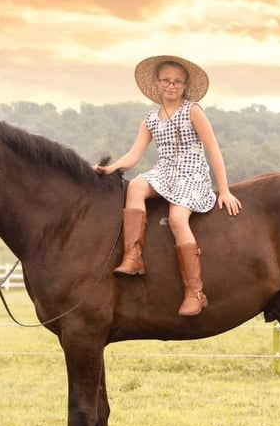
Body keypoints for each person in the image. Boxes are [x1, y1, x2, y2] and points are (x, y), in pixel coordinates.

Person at [95, 55, 241, 316]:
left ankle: (195, 291)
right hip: (164, 173)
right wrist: (112, 168)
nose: (171, 86)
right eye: (166, 80)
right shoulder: (151, 118)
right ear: (157, 83)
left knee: (177, 219)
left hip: (192, 174)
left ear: (184, 85)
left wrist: (225, 190)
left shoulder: (192, 110)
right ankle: (133, 256)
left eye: (177, 82)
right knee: (136, 186)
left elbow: (214, 150)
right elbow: (134, 154)